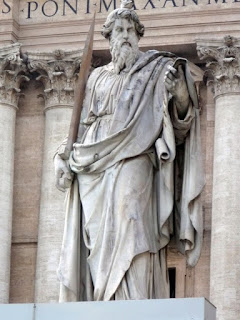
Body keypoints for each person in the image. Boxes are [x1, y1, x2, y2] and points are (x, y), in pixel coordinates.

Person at [54, 2, 204, 302]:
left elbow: (181, 123)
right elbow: (83, 126)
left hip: (136, 156)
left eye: (129, 30)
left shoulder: (157, 70)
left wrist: (181, 96)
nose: (124, 36)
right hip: (95, 166)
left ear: (139, 35)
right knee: (97, 237)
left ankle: (134, 301)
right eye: (118, 31)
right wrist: (62, 155)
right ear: (108, 39)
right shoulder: (96, 79)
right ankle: (104, 299)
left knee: (132, 217)